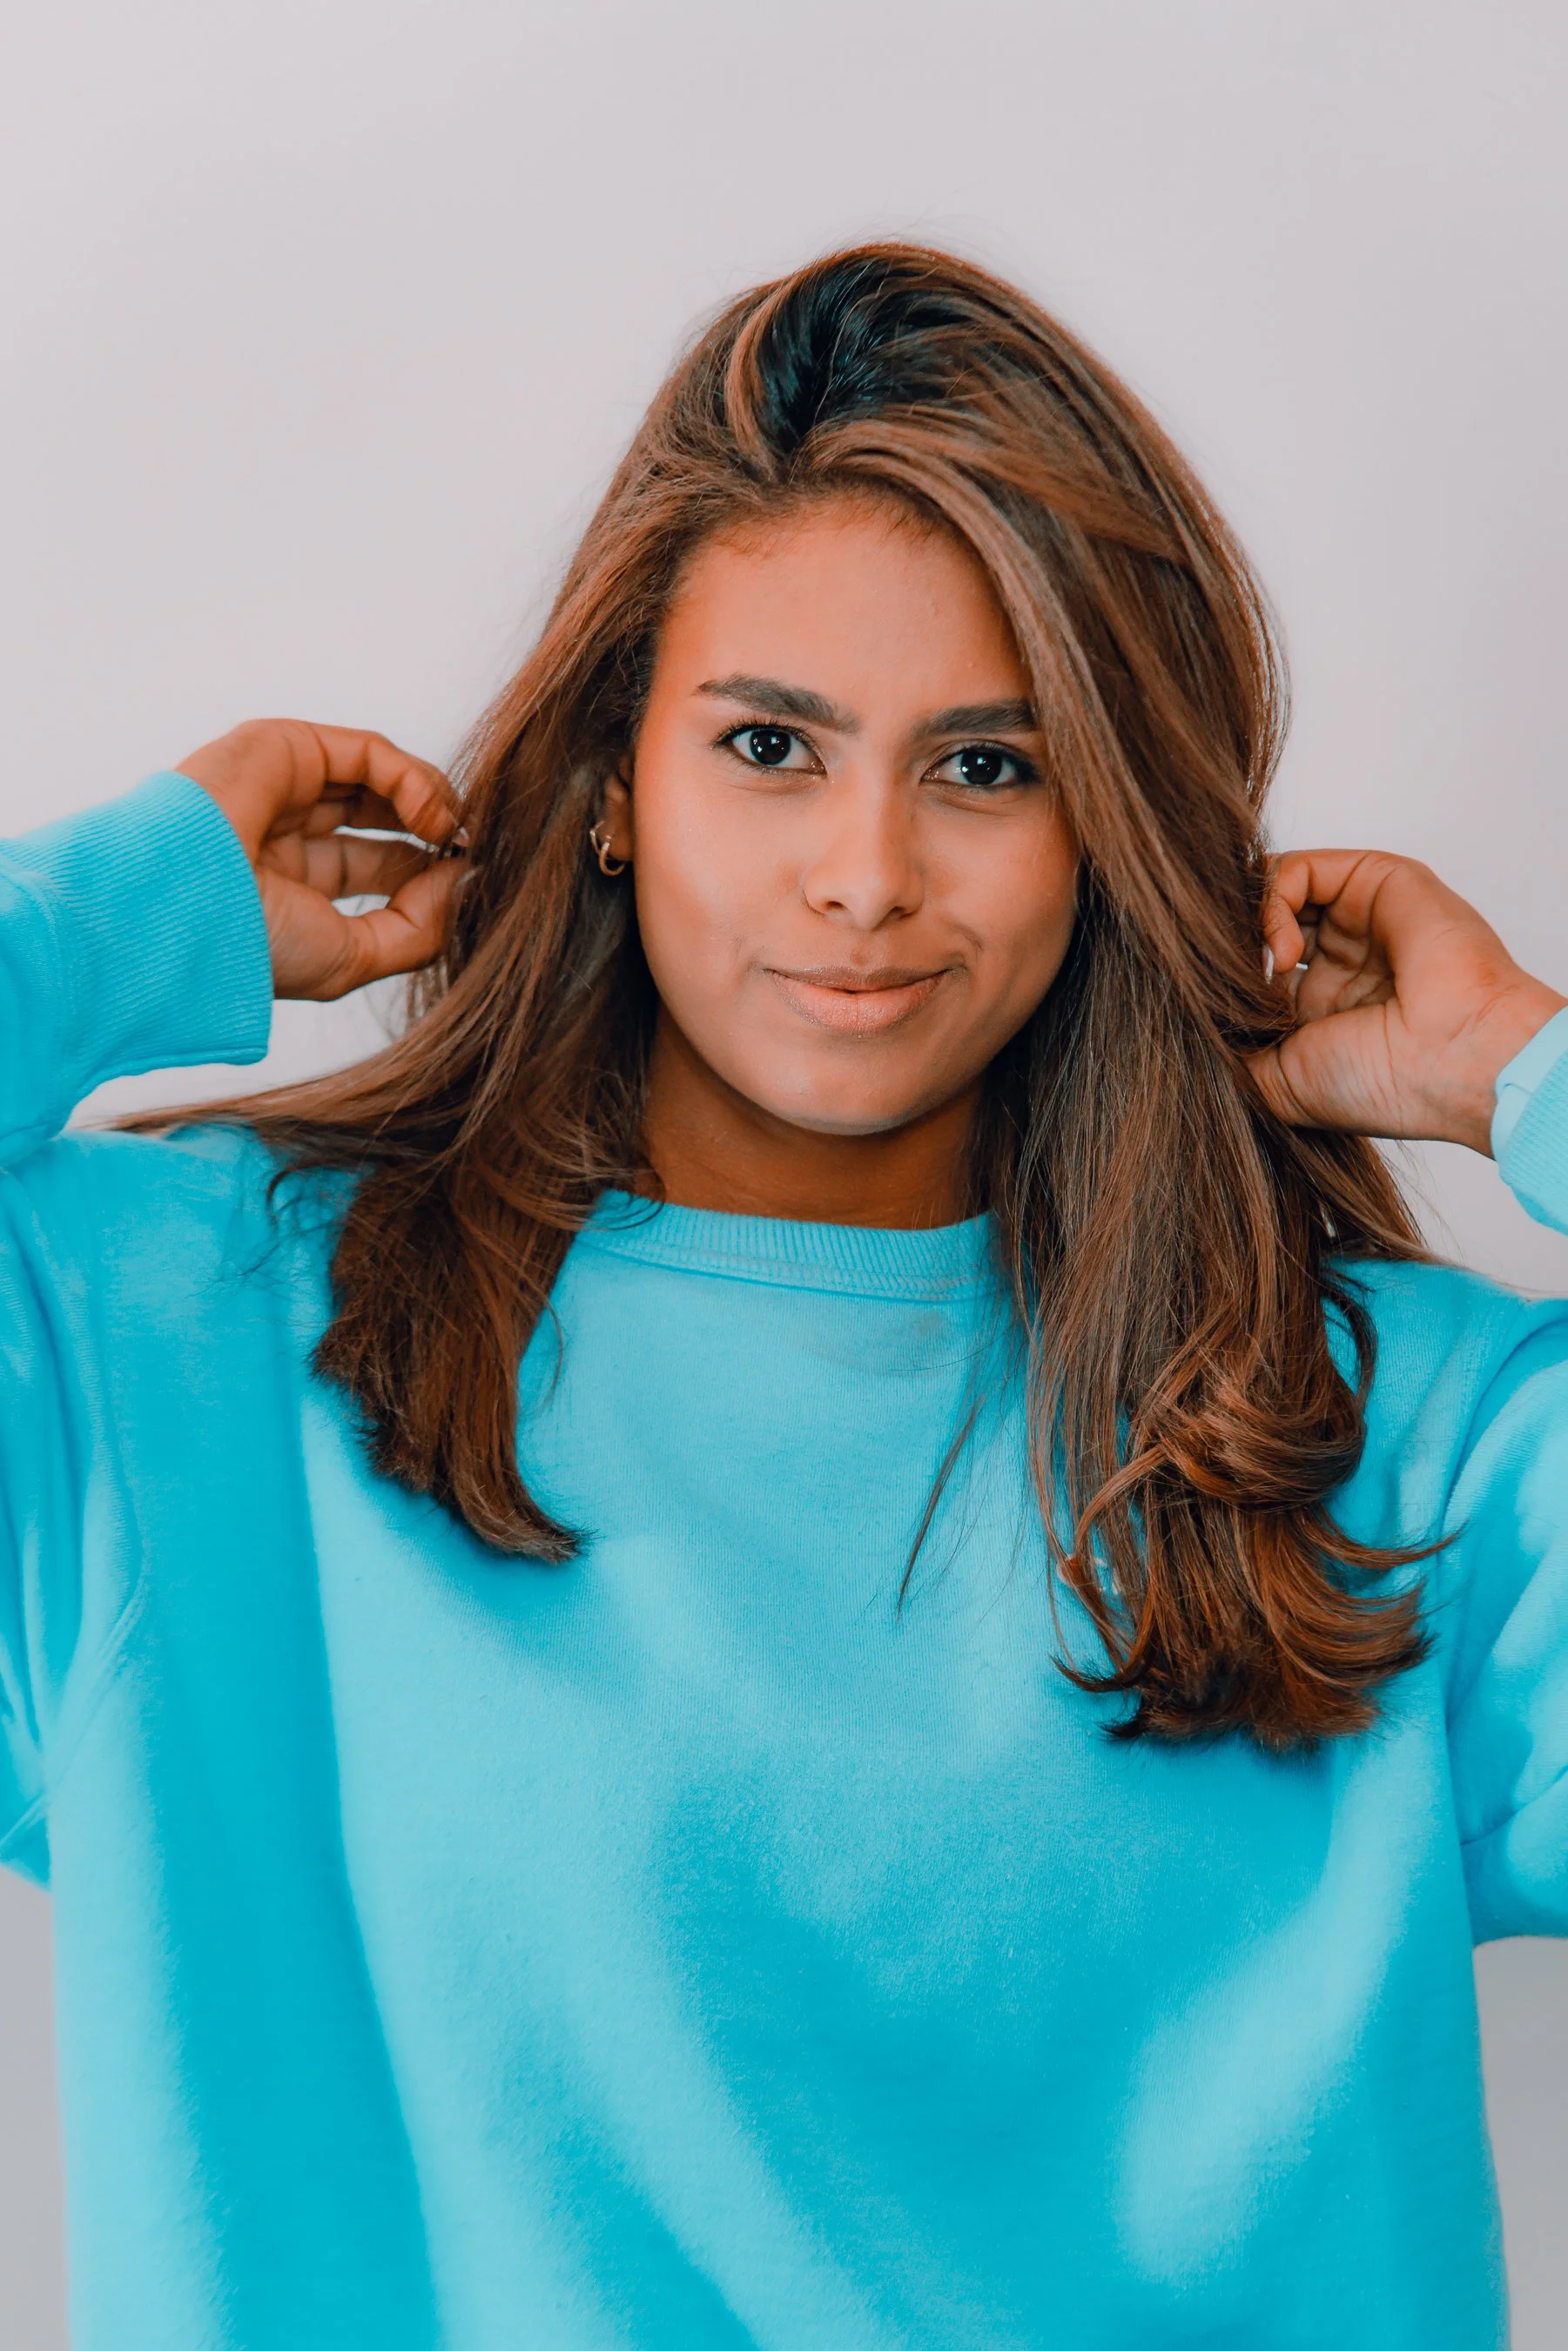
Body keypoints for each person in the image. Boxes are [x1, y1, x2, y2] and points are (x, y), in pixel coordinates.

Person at [2, 242, 1565, 2351]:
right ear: (615, 788)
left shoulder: (1384, 1445)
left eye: (990, 769)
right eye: (767, 744)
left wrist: (1526, 1073)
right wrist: (140, 907)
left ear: (1112, 824)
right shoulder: (176, 1345)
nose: (866, 874)